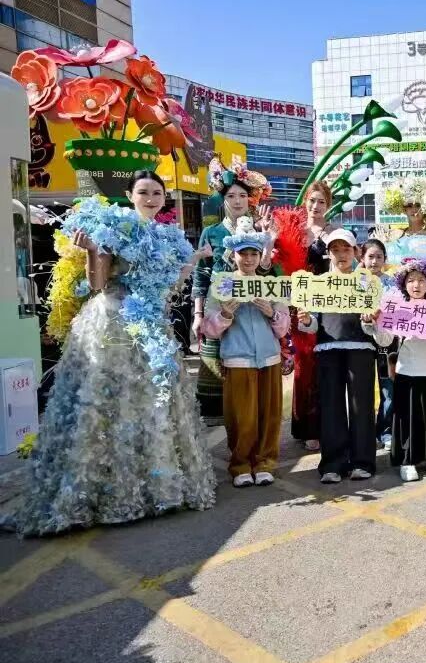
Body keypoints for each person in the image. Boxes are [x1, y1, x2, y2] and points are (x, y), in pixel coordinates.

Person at [7, 171, 216, 536]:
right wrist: (92, 250)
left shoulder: (169, 235)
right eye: (143, 191)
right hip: (112, 323)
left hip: (151, 326)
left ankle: (153, 488)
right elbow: (98, 283)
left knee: (150, 405)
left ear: (164, 197)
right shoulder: (113, 227)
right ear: (130, 194)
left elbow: (170, 285)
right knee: (106, 405)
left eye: (157, 192)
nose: (150, 198)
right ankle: (100, 491)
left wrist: (196, 257)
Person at [297, 230, 389, 484]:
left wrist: (371, 320)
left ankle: (362, 462)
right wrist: (306, 319)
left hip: (361, 348)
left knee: (362, 406)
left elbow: (375, 322)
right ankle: (333, 463)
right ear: (328, 254)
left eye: (346, 249)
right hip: (328, 348)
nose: (341, 255)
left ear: (356, 252)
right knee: (331, 406)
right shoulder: (319, 283)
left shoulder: (368, 283)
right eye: (335, 250)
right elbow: (313, 323)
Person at [202, 232, 291, 488]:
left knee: (269, 415)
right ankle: (241, 464)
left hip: (269, 358)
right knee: (241, 417)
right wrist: (225, 315)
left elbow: (284, 328)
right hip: (238, 358)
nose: (249, 259)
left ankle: (264, 463)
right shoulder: (222, 286)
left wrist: (271, 312)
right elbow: (209, 329)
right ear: (234, 256)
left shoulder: (271, 285)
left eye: (254, 253)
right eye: (243, 254)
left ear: (260, 256)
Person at [192, 161, 274, 426]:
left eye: (242, 195)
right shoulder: (212, 232)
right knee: (216, 361)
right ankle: (220, 416)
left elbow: (268, 273)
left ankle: (249, 417)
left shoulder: (259, 230)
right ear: (223, 199)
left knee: (248, 366)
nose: (237, 201)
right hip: (220, 304)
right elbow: (202, 274)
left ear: (249, 199)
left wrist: (267, 243)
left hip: (253, 306)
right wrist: (198, 313)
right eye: (231, 196)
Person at [290, 181, 340, 451]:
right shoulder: (294, 229)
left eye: (321, 202)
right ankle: (305, 426)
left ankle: (325, 424)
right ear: (305, 202)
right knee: (305, 365)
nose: (316, 206)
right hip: (301, 306)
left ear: (328, 205)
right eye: (312, 200)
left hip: (328, 305)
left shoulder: (335, 233)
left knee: (325, 364)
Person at [391, 260, 426, 482]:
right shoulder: (397, 309)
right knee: (407, 417)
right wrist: (373, 322)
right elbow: (384, 339)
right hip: (407, 370)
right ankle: (407, 461)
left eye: (421, 280)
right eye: (411, 280)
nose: (416, 285)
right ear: (404, 285)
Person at [359, 239, 397, 448]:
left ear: (385, 259)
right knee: (362, 388)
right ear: (362, 259)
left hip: (386, 342)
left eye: (379, 257)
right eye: (370, 257)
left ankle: (386, 431)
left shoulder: (392, 283)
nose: (374, 261)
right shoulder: (355, 282)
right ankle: (365, 432)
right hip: (361, 340)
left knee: (387, 388)